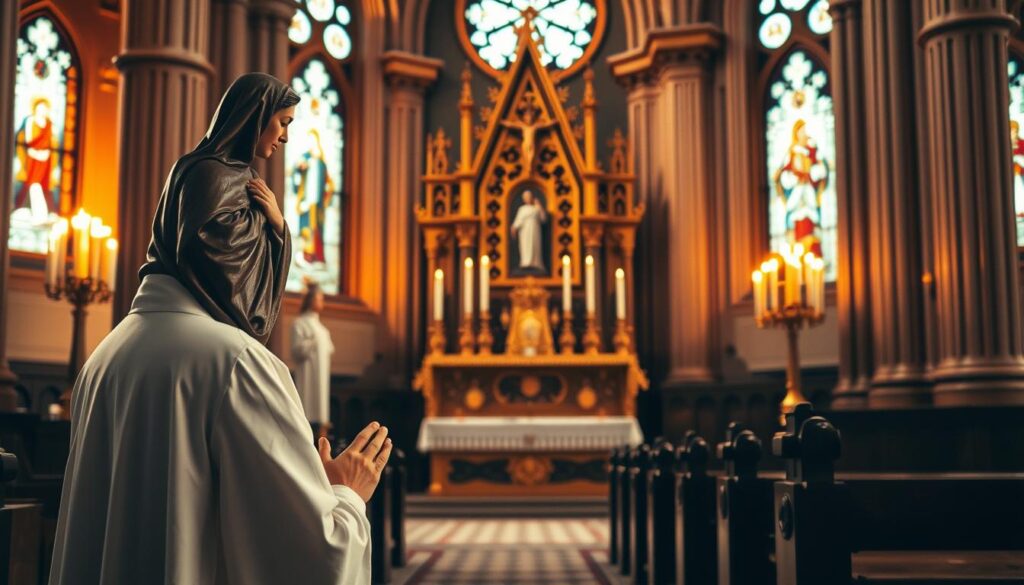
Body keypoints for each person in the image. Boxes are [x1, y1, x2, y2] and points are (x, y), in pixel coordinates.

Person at [48, 73, 389, 585]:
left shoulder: (105, 357)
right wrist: (345, 492)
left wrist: (277, 230)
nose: (286, 137)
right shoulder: (239, 364)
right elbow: (317, 557)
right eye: (283, 123)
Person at [773, 118, 828, 258]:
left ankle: (816, 254)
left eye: (805, 130)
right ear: (796, 133)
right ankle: (794, 255)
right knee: (793, 220)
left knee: (812, 219)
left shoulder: (812, 149)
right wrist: (793, 178)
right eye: (801, 130)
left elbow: (821, 170)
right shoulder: (791, 152)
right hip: (796, 193)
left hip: (808, 190)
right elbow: (783, 174)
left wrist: (812, 172)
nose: (804, 133)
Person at [292, 281, 334, 433]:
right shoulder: (300, 324)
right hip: (307, 377)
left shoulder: (323, 329)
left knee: (321, 412)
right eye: (319, 298)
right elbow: (296, 351)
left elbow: (329, 350)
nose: (322, 302)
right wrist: (313, 342)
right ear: (310, 300)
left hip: (321, 380)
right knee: (306, 409)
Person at [511, 189, 547, 272]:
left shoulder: (536, 208)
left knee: (535, 245)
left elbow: (543, 219)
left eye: (529, 196)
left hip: (535, 230)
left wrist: (539, 206)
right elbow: (518, 221)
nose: (528, 198)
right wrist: (514, 228)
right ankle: (525, 263)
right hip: (525, 232)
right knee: (525, 246)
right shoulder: (522, 209)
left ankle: (536, 263)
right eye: (526, 197)